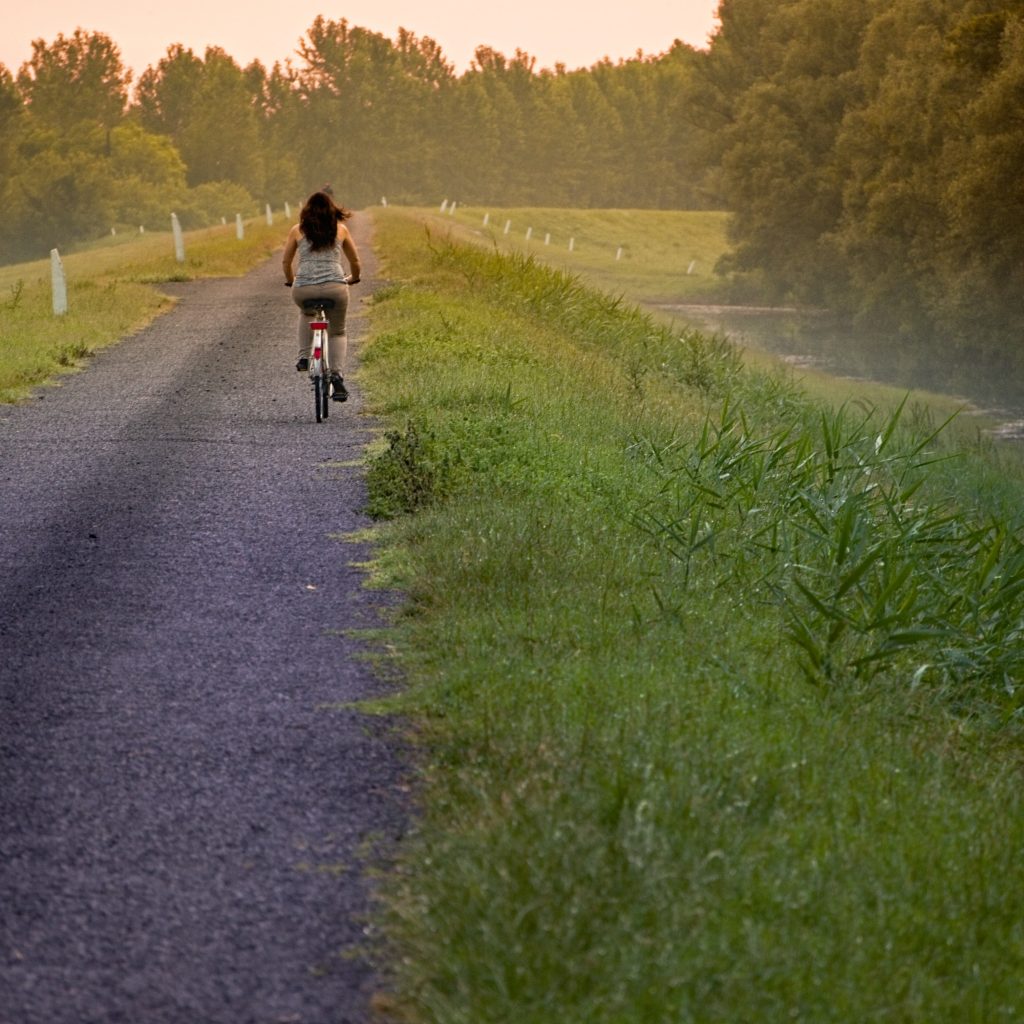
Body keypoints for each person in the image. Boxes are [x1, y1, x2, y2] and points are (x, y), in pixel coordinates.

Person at [282, 190, 362, 401]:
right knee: (337, 332)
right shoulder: (341, 230)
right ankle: (336, 375)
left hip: (304, 288)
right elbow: (355, 262)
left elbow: (286, 262)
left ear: (306, 212)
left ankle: (304, 358)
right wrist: (353, 277)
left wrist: (291, 281)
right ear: (332, 211)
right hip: (335, 287)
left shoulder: (297, 230)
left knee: (306, 313)